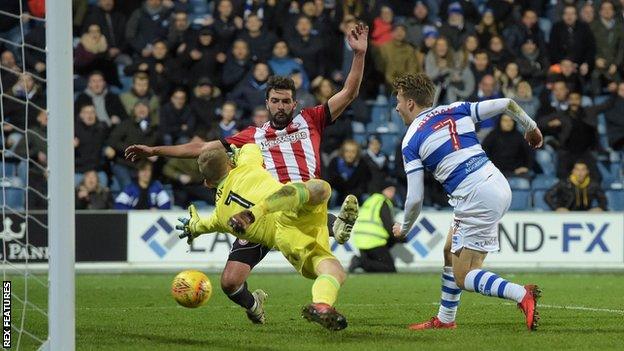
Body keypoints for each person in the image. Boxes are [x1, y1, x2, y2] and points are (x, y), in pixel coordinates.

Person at [125, 23, 369, 323]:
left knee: (314, 194)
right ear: (266, 102)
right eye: (275, 101)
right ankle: (255, 304)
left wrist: (358, 54)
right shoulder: (253, 136)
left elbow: (350, 92)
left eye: (286, 101)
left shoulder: (312, 119)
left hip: (297, 207)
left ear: (295, 103)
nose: (281, 106)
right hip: (261, 212)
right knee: (229, 281)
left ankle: (335, 227)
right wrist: (155, 151)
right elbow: (202, 148)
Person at [392, 73, 544, 331]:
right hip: (496, 182)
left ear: (409, 103)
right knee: (449, 250)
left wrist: (404, 227)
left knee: (464, 276)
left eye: (398, 100)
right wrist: (531, 127)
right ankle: (445, 319)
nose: (396, 107)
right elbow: (507, 103)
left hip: (475, 195)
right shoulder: (454, 109)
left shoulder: (410, 140)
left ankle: (521, 294)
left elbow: (415, 198)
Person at [177, 144, 352, 330]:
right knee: (319, 188)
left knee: (333, 271)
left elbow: (204, 225)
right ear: (230, 164)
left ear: (208, 183)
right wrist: (237, 154)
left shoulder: (221, 216)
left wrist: (193, 227)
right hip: (290, 208)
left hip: (284, 238)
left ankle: (322, 305)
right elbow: (251, 147)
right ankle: (333, 227)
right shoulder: (247, 164)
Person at [349, 184, 397, 273]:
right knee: (389, 268)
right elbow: (388, 226)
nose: (392, 194)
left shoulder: (370, 200)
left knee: (373, 268)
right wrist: (400, 237)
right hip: (374, 241)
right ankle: (360, 262)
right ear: (384, 190)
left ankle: (362, 262)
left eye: (393, 191)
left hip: (360, 241)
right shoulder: (383, 202)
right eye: (390, 190)